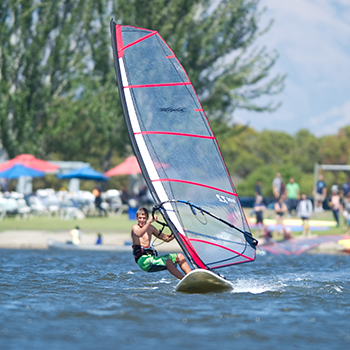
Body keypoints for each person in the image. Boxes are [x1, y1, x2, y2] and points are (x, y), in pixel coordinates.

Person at [131, 207, 191, 280]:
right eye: (140, 218)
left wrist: (178, 232)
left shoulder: (151, 228)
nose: (142, 220)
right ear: (137, 218)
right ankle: (185, 280)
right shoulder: (135, 227)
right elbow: (139, 233)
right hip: (143, 260)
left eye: (144, 218)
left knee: (179, 256)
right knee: (168, 262)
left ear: (147, 218)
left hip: (152, 258)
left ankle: (192, 277)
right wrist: (150, 222)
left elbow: (166, 238)